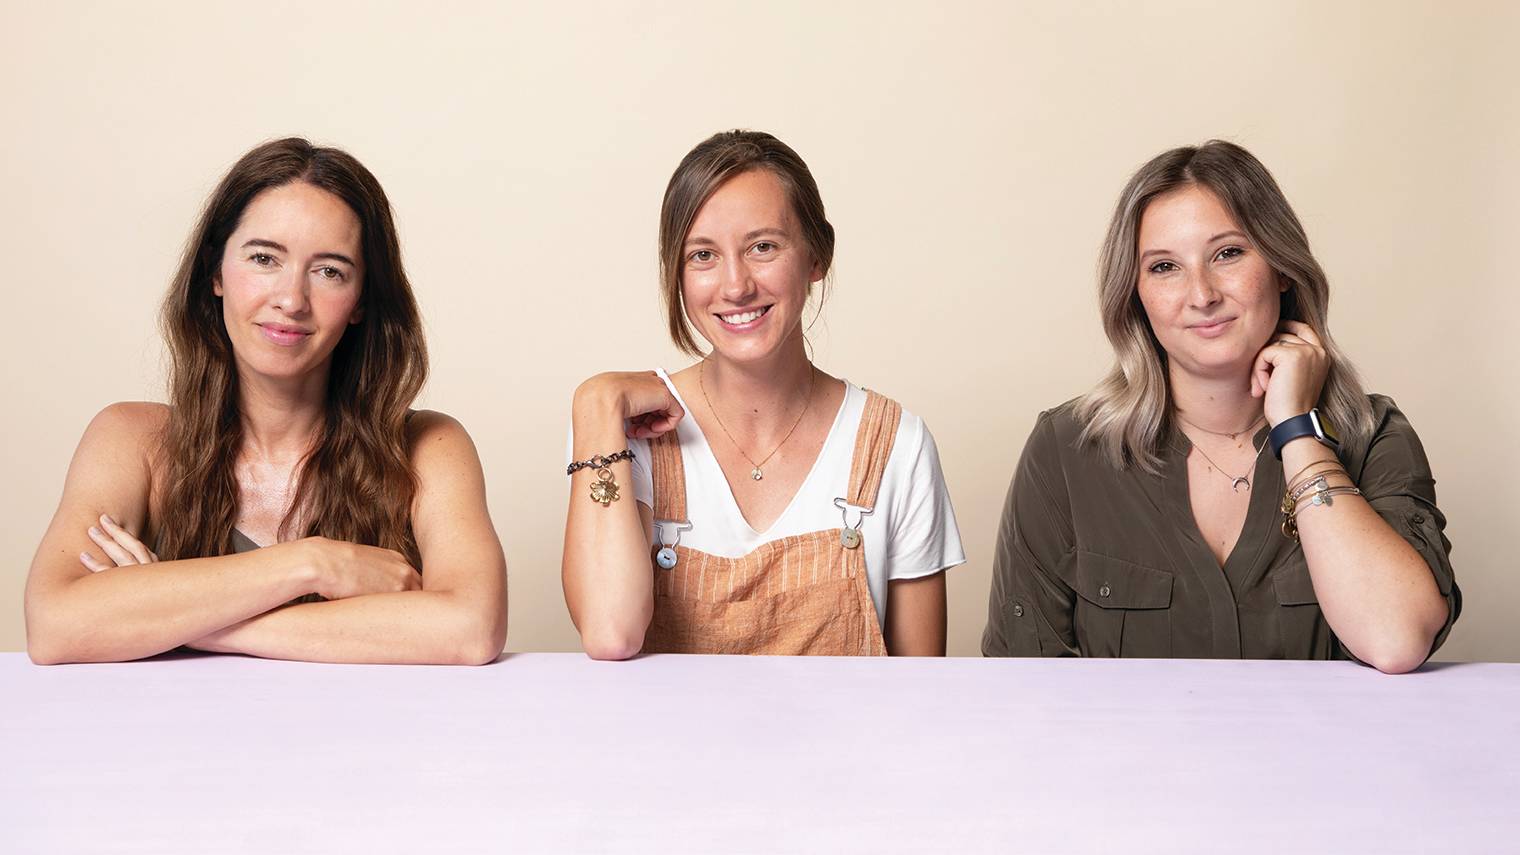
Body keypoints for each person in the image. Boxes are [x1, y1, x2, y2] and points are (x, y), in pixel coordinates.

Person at [24, 138, 507, 665]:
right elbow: (56, 626)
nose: (291, 299)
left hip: (373, 745)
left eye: (330, 271)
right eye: (263, 258)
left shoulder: (428, 446)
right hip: (175, 747)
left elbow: (471, 629)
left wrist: (172, 619)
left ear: (361, 302)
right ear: (215, 272)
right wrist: (314, 564)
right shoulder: (132, 440)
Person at [982, 140, 1458, 673]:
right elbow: (1019, 683)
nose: (1201, 293)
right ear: (1135, 294)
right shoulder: (1067, 448)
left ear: (1281, 267)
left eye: (1228, 253)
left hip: (1325, 758)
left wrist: (1298, 431)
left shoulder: (1373, 435)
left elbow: (1396, 640)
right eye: (1164, 267)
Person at [563, 130, 964, 659]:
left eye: (763, 247)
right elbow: (610, 633)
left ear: (817, 257)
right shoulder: (621, 432)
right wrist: (593, 404)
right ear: (676, 276)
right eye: (702, 255)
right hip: (666, 744)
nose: (735, 286)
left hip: (849, 745)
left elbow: (920, 694)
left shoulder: (897, 446)